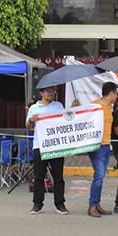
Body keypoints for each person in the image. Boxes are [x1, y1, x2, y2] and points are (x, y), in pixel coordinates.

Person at [26, 86, 75, 215]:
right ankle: (37, 203)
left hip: (56, 146)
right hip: (40, 146)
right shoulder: (34, 108)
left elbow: (66, 120)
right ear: (41, 93)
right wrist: (32, 120)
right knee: (39, 176)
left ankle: (60, 203)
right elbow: (27, 126)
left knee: (58, 176)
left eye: (52, 91)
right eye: (48, 91)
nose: (51, 93)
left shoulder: (58, 106)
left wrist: (74, 109)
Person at [87, 81, 118, 218]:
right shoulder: (95, 105)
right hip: (96, 145)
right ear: (111, 93)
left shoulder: (110, 107)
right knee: (98, 175)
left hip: (106, 145)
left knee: (101, 175)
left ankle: (97, 204)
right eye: (116, 93)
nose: (117, 96)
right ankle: (92, 205)